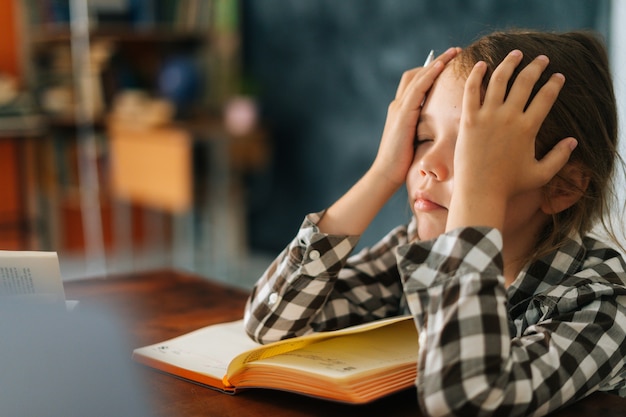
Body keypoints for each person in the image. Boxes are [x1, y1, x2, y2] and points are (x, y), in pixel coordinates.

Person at [243, 29, 626, 416]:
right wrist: (382, 173)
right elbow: (272, 321)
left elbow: (465, 402)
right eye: (424, 137)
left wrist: (479, 197)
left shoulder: (601, 306)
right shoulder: (423, 250)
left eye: (470, 151)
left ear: (562, 186)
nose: (427, 164)